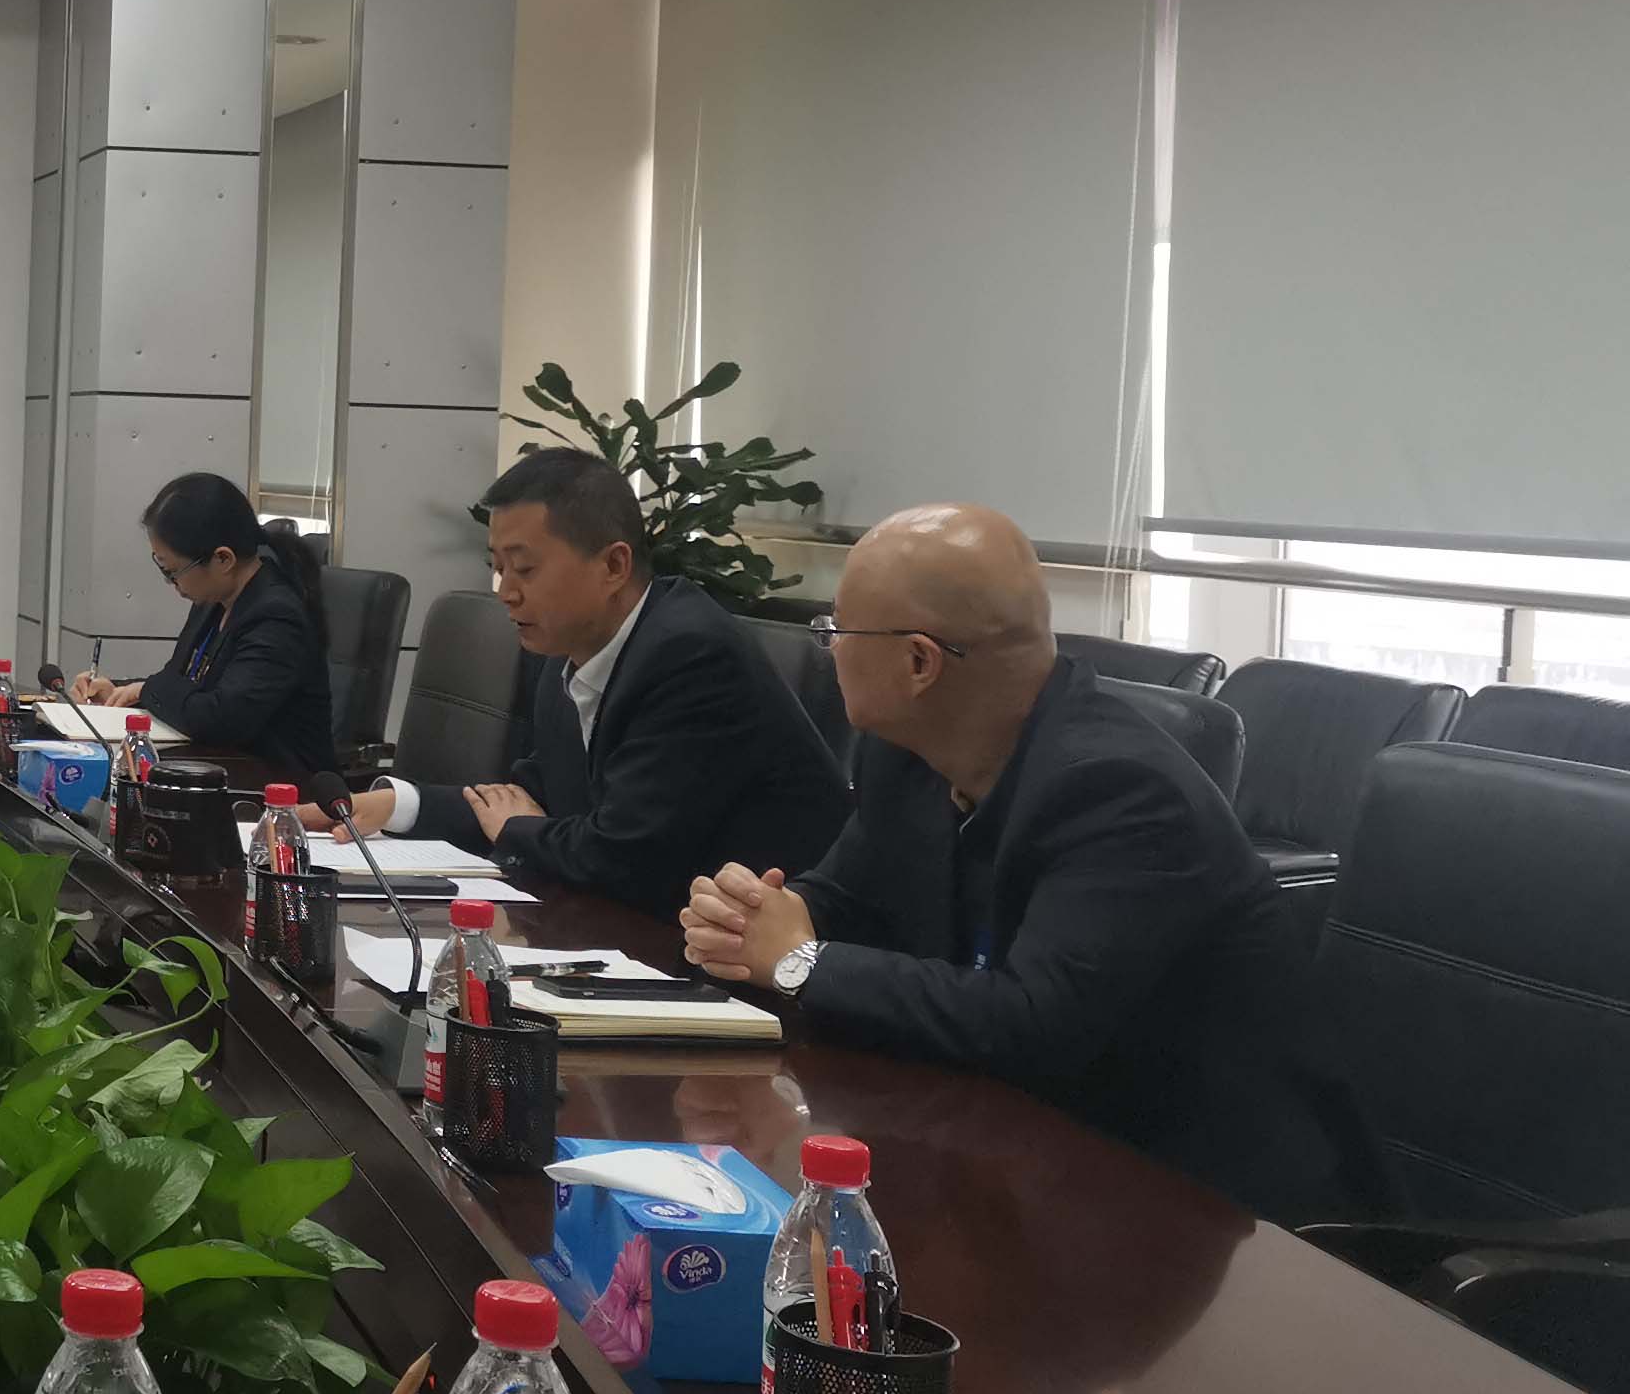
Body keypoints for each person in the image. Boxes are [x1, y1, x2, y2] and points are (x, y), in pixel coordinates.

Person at [679, 501, 1287, 1164]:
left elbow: (1033, 1022)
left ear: (919, 662)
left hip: (1159, 1173)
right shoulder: (906, 751)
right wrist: (759, 917)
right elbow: (849, 894)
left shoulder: (1122, 792)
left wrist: (799, 960)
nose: (831, 649)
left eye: (839, 629)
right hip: (976, 1129)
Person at [339, 447, 849, 916]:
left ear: (614, 565)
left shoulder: (690, 656)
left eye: (525, 569)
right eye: (498, 568)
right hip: (644, 926)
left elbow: (621, 856)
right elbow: (533, 799)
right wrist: (397, 805)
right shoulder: (571, 652)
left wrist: (517, 828)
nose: (505, 592)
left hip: (751, 953)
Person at [68, 473, 337, 785]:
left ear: (223, 559)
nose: (171, 584)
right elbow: (178, 682)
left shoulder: (277, 616)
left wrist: (145, 690)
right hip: (217, 770)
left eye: (172, 571)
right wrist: (119, 692)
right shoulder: (213, 601)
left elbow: (221, 719)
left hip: (278, 787)